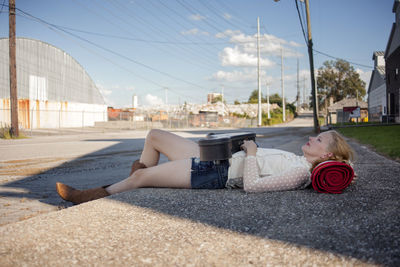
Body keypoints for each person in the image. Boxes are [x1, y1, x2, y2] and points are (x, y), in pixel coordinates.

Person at [56, 129, 355, 204]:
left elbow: (252, 186)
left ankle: (86, 196)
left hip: (215, 173)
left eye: (319, 140)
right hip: (220, 157)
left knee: (143, 176)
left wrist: (251, 153)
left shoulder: (301, 172)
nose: (311, 138)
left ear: (327, 156)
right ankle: (136, 180)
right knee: (155, 136)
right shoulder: (300, 160)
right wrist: (245, 146)